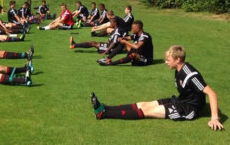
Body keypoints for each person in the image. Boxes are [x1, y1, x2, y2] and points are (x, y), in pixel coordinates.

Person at [90, 45, 224, 131]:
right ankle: (104, 107)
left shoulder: (191, 75)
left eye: (168, 59)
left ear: (177, 59)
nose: (166, 62)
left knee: (147, 110)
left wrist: (214, 118)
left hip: (188, 109)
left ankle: (104, 114)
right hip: (180, 101)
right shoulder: (179, 69)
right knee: (143, 104)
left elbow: (211, 93)